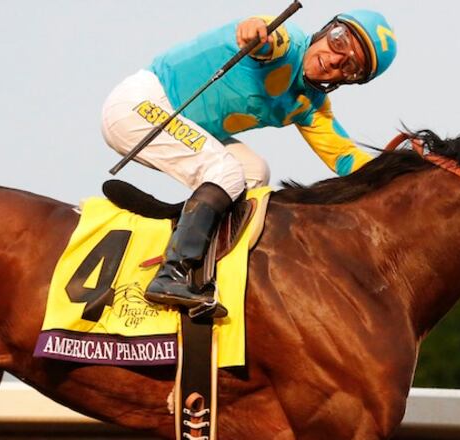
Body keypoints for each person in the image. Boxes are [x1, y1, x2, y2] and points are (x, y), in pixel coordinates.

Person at [101, 9, 397, 317]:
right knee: (227, 172)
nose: (335, 59)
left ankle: (207, 266)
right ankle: (171, 274)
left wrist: (404, 171)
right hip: (139, 106)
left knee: (254, 173)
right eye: (339, 40)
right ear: (326, 30)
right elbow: (266, 37)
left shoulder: (310, 104)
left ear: (348, 81)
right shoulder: (288, 40)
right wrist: (255, 31)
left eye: (351, 66)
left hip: (185, 127)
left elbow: (346, 158)